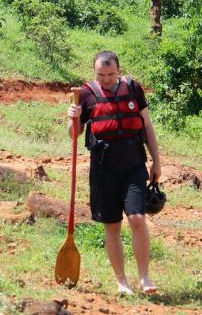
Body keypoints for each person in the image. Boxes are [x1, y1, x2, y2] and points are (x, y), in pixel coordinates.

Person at [67, 50, 161, 296]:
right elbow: (73, 134)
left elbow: (147, 126)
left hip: (134, 166)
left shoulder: (133, 89)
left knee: (137, 219)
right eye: (101, 74)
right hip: (103, 170)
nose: (106, 79)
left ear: (118, 70)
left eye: (110, 74)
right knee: (112, 226)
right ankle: (122, 282)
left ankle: (144, 277)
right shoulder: (86, 94)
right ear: (94, 72)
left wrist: (157, 162)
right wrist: (73, 118)